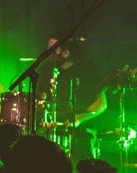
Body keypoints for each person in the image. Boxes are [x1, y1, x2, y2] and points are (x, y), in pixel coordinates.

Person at [38, 31, 109, 161]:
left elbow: (102, 103)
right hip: (51, 129)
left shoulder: (87, 69)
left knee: (84, 155)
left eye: (52, 49)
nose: (47, 52)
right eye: (48, 48)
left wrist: (79, 118)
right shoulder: (44, 71)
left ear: (65, 53)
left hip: (82, 130)